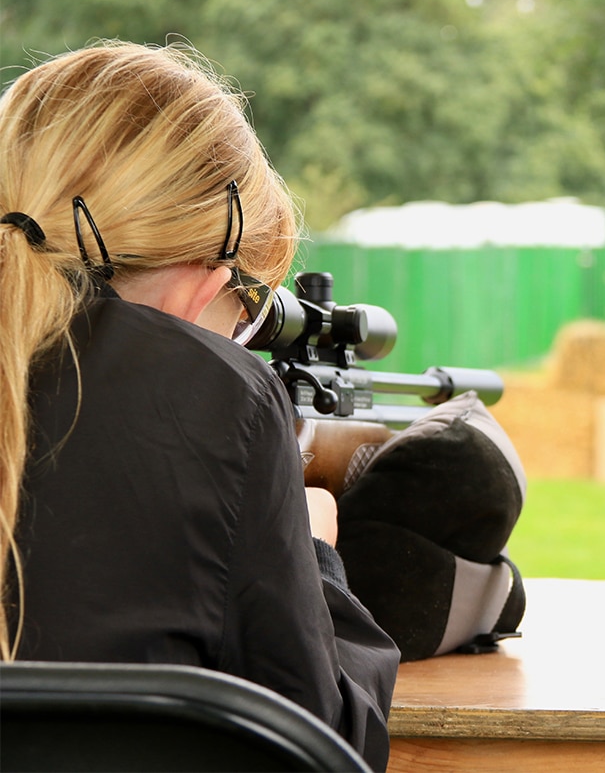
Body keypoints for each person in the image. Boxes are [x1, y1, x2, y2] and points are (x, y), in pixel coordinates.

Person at [0, 41, 399, 771]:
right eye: (248, 308)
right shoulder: (214, 398)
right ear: (201, 281)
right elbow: (325, 742)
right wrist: (313, 557)